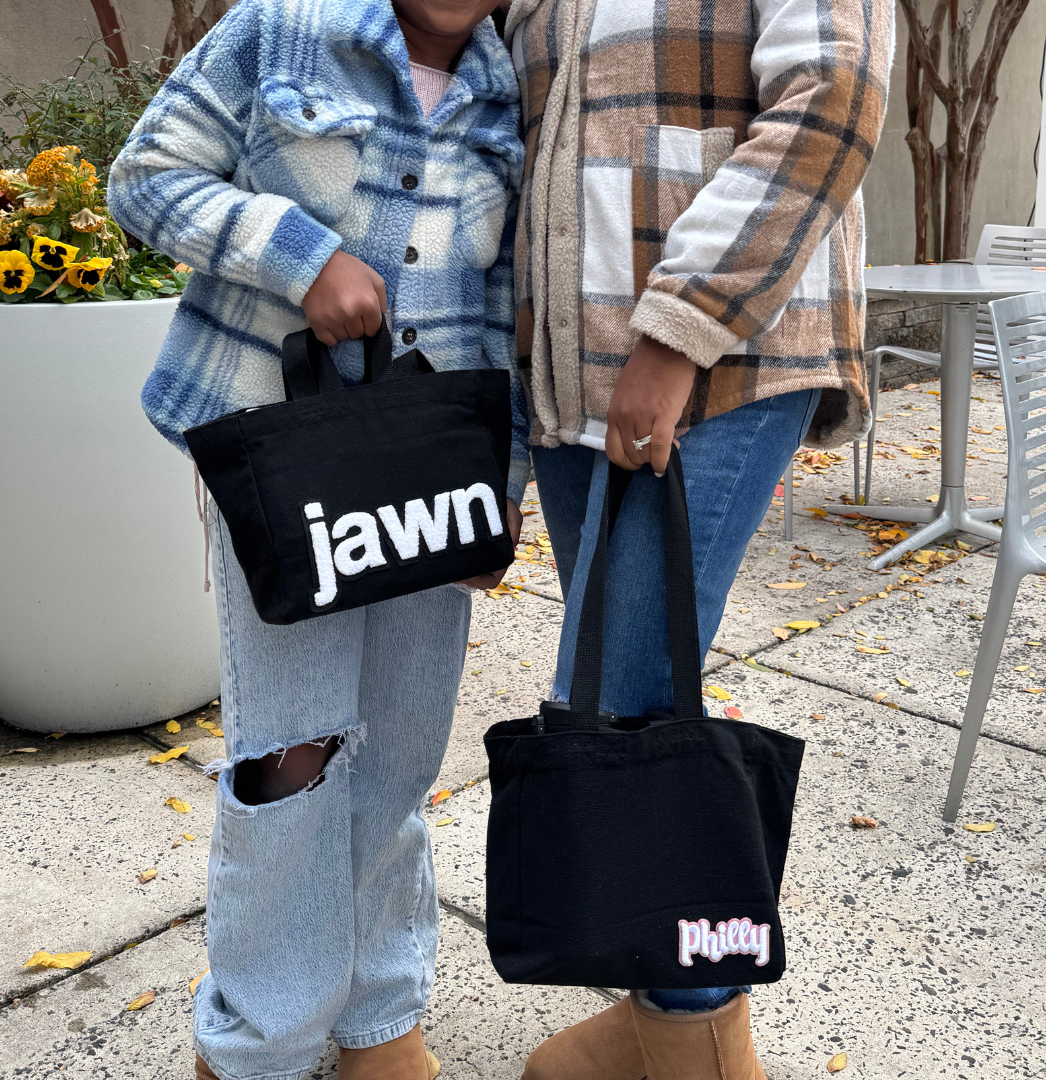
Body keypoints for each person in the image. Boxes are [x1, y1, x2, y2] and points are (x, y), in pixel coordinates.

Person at [107, 2, 527, 1078]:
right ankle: (259, 1041)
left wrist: (500, 484)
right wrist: (302, 257)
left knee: (399, 758)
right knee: (291, 758)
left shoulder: (511, 88)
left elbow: (503, 308)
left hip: (429, 481)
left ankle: (379, 1022)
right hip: (280, 461)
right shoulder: (279, 28)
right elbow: (146, 179)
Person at [505, 0, 893, 1077]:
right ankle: (664, 1018)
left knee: (626, 699)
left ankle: (698, 1031)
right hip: (571, 371)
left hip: (721, 352)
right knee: (619, 700)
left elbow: (835, 94)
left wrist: (680, 331)